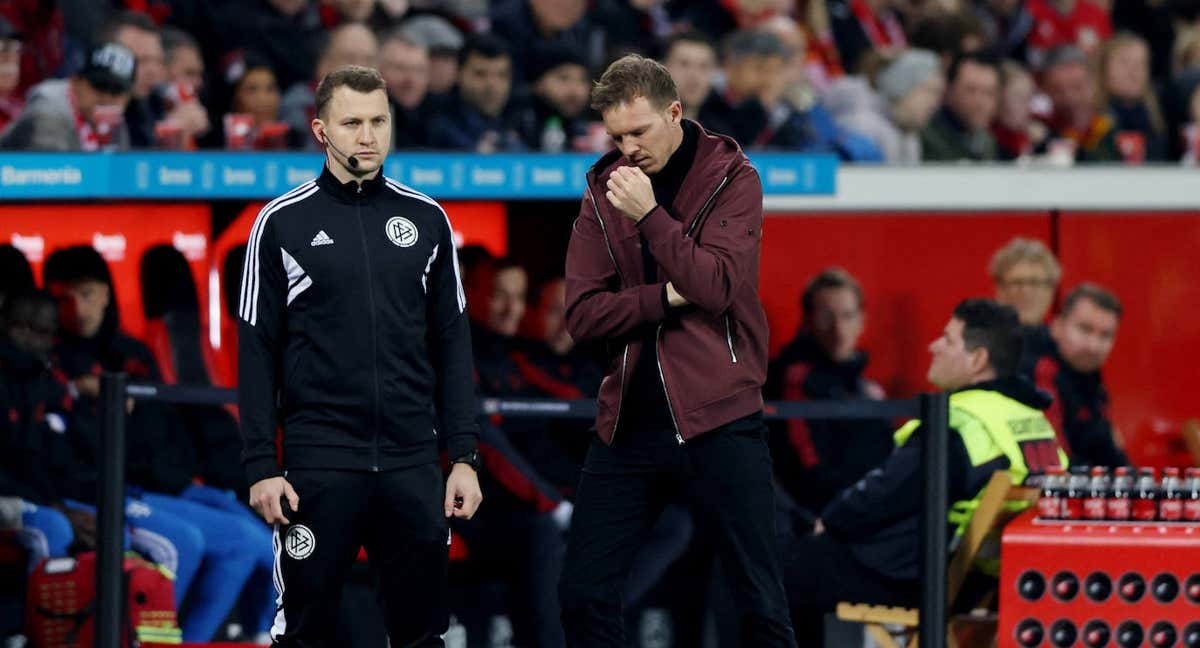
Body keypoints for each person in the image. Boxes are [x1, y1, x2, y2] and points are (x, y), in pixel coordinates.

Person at [237, 65, 481, 647]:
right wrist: (260, 467)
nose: (367, 136)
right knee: (301, 633)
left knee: (422, 635)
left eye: (378, 121)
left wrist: (465, 456)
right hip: (319, 465)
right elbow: (255, 351)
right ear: (321, 130)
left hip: (412, 463)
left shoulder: (428, 219)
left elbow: (453, 343)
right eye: (352, 123)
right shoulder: (279, 223)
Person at [559, 54, 797, 647]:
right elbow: (583, 314)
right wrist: (663, 299)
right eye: (616, 136)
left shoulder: (732, 176)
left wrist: (651, 216)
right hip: (628, 425)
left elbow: (716, 286)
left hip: (721, 415)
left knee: (759, 602)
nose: (627, 149)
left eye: (639, 132)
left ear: (675, 112)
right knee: (583, 594)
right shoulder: (600, 186)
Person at [784, 299, 1065, 645]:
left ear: (978, 360)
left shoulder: (959, 420)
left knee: (787, 570)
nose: (934, 346)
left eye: (947, 340)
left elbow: (884, 494)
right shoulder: (1034, 422)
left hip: (928, 579)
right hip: (986, 583)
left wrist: (829, 520)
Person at [45, 246, 275, 643]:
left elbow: (167, 431)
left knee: (255, 539)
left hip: (159, 483)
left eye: (84, 293)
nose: (76, 307)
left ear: (104, 292)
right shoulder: (51, 363)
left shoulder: (132, 353)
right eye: (64, 297)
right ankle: (154, 642)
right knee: (190, 540)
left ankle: (227, 639)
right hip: (107, 490)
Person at [765, 268, 894, 516]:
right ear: (808, 321)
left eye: (847, 316)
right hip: (826, 523)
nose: (838, 329)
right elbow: (804, 466)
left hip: (867, 513)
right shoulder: (794, 379)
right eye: (826, 316)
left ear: (862, 321)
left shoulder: (866, 388)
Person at [1030, 283, 1129, 468]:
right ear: (1058, 325)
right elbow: (1056, 461)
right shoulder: (1039, 369)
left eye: (1105, 335)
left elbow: (1112, 453)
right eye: (1085, 329)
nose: (1093, 345)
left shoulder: (1090, 377)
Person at [0, 42, 135, 151]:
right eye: (100, 86)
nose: (106, 98)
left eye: (116, 91)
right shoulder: (48, 112)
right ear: (76, 82)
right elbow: (60, 174)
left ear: (128, 97)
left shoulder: (113, 122)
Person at [921, 52, 1001, 162]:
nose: (980, 103)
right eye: (971, 90)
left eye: (989, 93)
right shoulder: (926, 138)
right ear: (948, 91)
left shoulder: (987, 142)